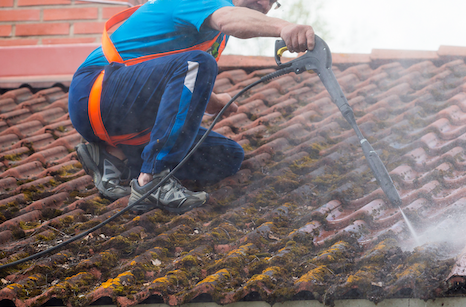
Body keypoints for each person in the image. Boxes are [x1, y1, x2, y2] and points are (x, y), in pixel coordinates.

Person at [68, 0, 315, 214]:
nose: (264, 5)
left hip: (132, 117)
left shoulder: (214, 36)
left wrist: (214, 101)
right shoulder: (209, 6)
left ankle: (113, 159)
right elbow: (226, 22)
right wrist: (285, 27)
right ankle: (153, 179)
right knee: (199, 63)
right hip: (96, 93)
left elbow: (177, 80)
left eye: (272, 1)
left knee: (227, 157)